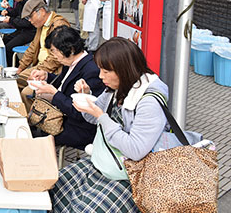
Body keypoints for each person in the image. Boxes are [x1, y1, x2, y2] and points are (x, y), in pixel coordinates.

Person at [50, 37, 170, 213]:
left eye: (106, 71)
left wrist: (102, 117)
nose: (100, 76)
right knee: (54, 187)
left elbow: (136, 150)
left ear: (124, 70)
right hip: (106, 161)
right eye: (100, 70)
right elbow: (92, 117)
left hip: (131, 176)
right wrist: (86, 96)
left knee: (82, 209)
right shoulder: (118, 88)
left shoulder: (149, 101)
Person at [20, 26, 105, 147]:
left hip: (78, 128)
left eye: (54, 51)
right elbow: (63, 82)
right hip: (60, 115)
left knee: (30, 137)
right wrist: (46, 76)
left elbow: (80, 113)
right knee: (27, 127)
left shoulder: (91, 71)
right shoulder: (70, 61)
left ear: (70, 50)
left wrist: (54, 95)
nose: (53, 55)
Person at [16, 0, 70, 87]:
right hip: (41, 66)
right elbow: (32, 48)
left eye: (30, 16)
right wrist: (21, 67)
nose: (29, 20)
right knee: (16, 78)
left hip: (52, 71)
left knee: (20, 84)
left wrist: (39, 70)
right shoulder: (41, 25)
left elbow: (57, 57)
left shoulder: (59, 25)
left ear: (41, 11)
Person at [0, 0, 35, 64]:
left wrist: (10, 20)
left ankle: (14, 67)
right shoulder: (20, 1)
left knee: (9, 47)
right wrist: (8, 11)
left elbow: (26, 23)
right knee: (4, 40)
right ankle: (11, 63)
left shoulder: (29, 2)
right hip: (22, 29)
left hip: (30, 31)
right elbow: (16, 13)